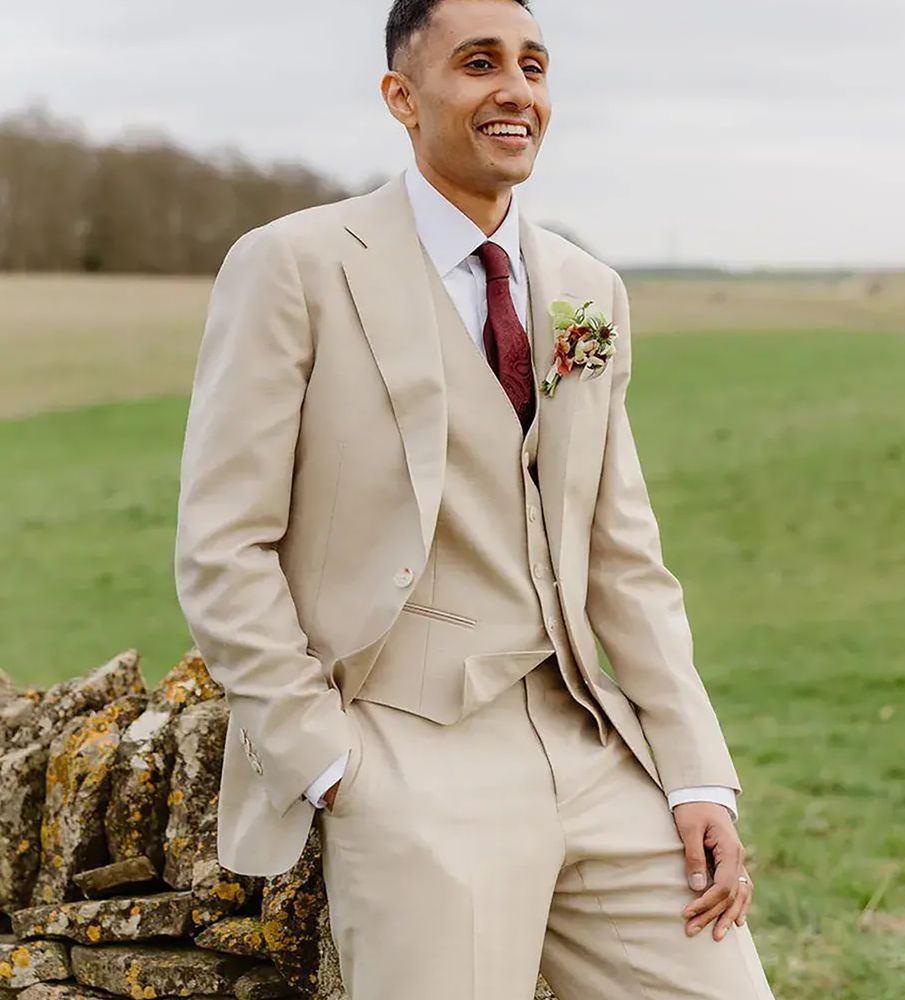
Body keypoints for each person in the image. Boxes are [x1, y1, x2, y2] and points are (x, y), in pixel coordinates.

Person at [174, 0, 777, 996]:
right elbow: (221, 543)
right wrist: (328, 759)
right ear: (401, 98)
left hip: (590, 745)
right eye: (480, 62)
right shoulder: (296, 266)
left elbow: (622, 551)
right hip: (406, 752)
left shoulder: (588, 288)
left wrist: (695, 773)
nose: (517, 90)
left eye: (534, 65)